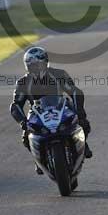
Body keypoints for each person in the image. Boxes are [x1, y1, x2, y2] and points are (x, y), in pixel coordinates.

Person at [10, 46, 93, 174]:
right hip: (37, 111)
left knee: (83, 122)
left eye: (37, 65)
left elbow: (75, 92)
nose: (35, 68)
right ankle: (38, 160)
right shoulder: (23, 82)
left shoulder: (58, 74)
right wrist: (23, 122)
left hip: (61, 105)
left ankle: (84, 144)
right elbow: (16, 105)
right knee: (26, 135)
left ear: (45, 63)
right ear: (26, 66)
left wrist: (79, 111)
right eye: (31, 65)